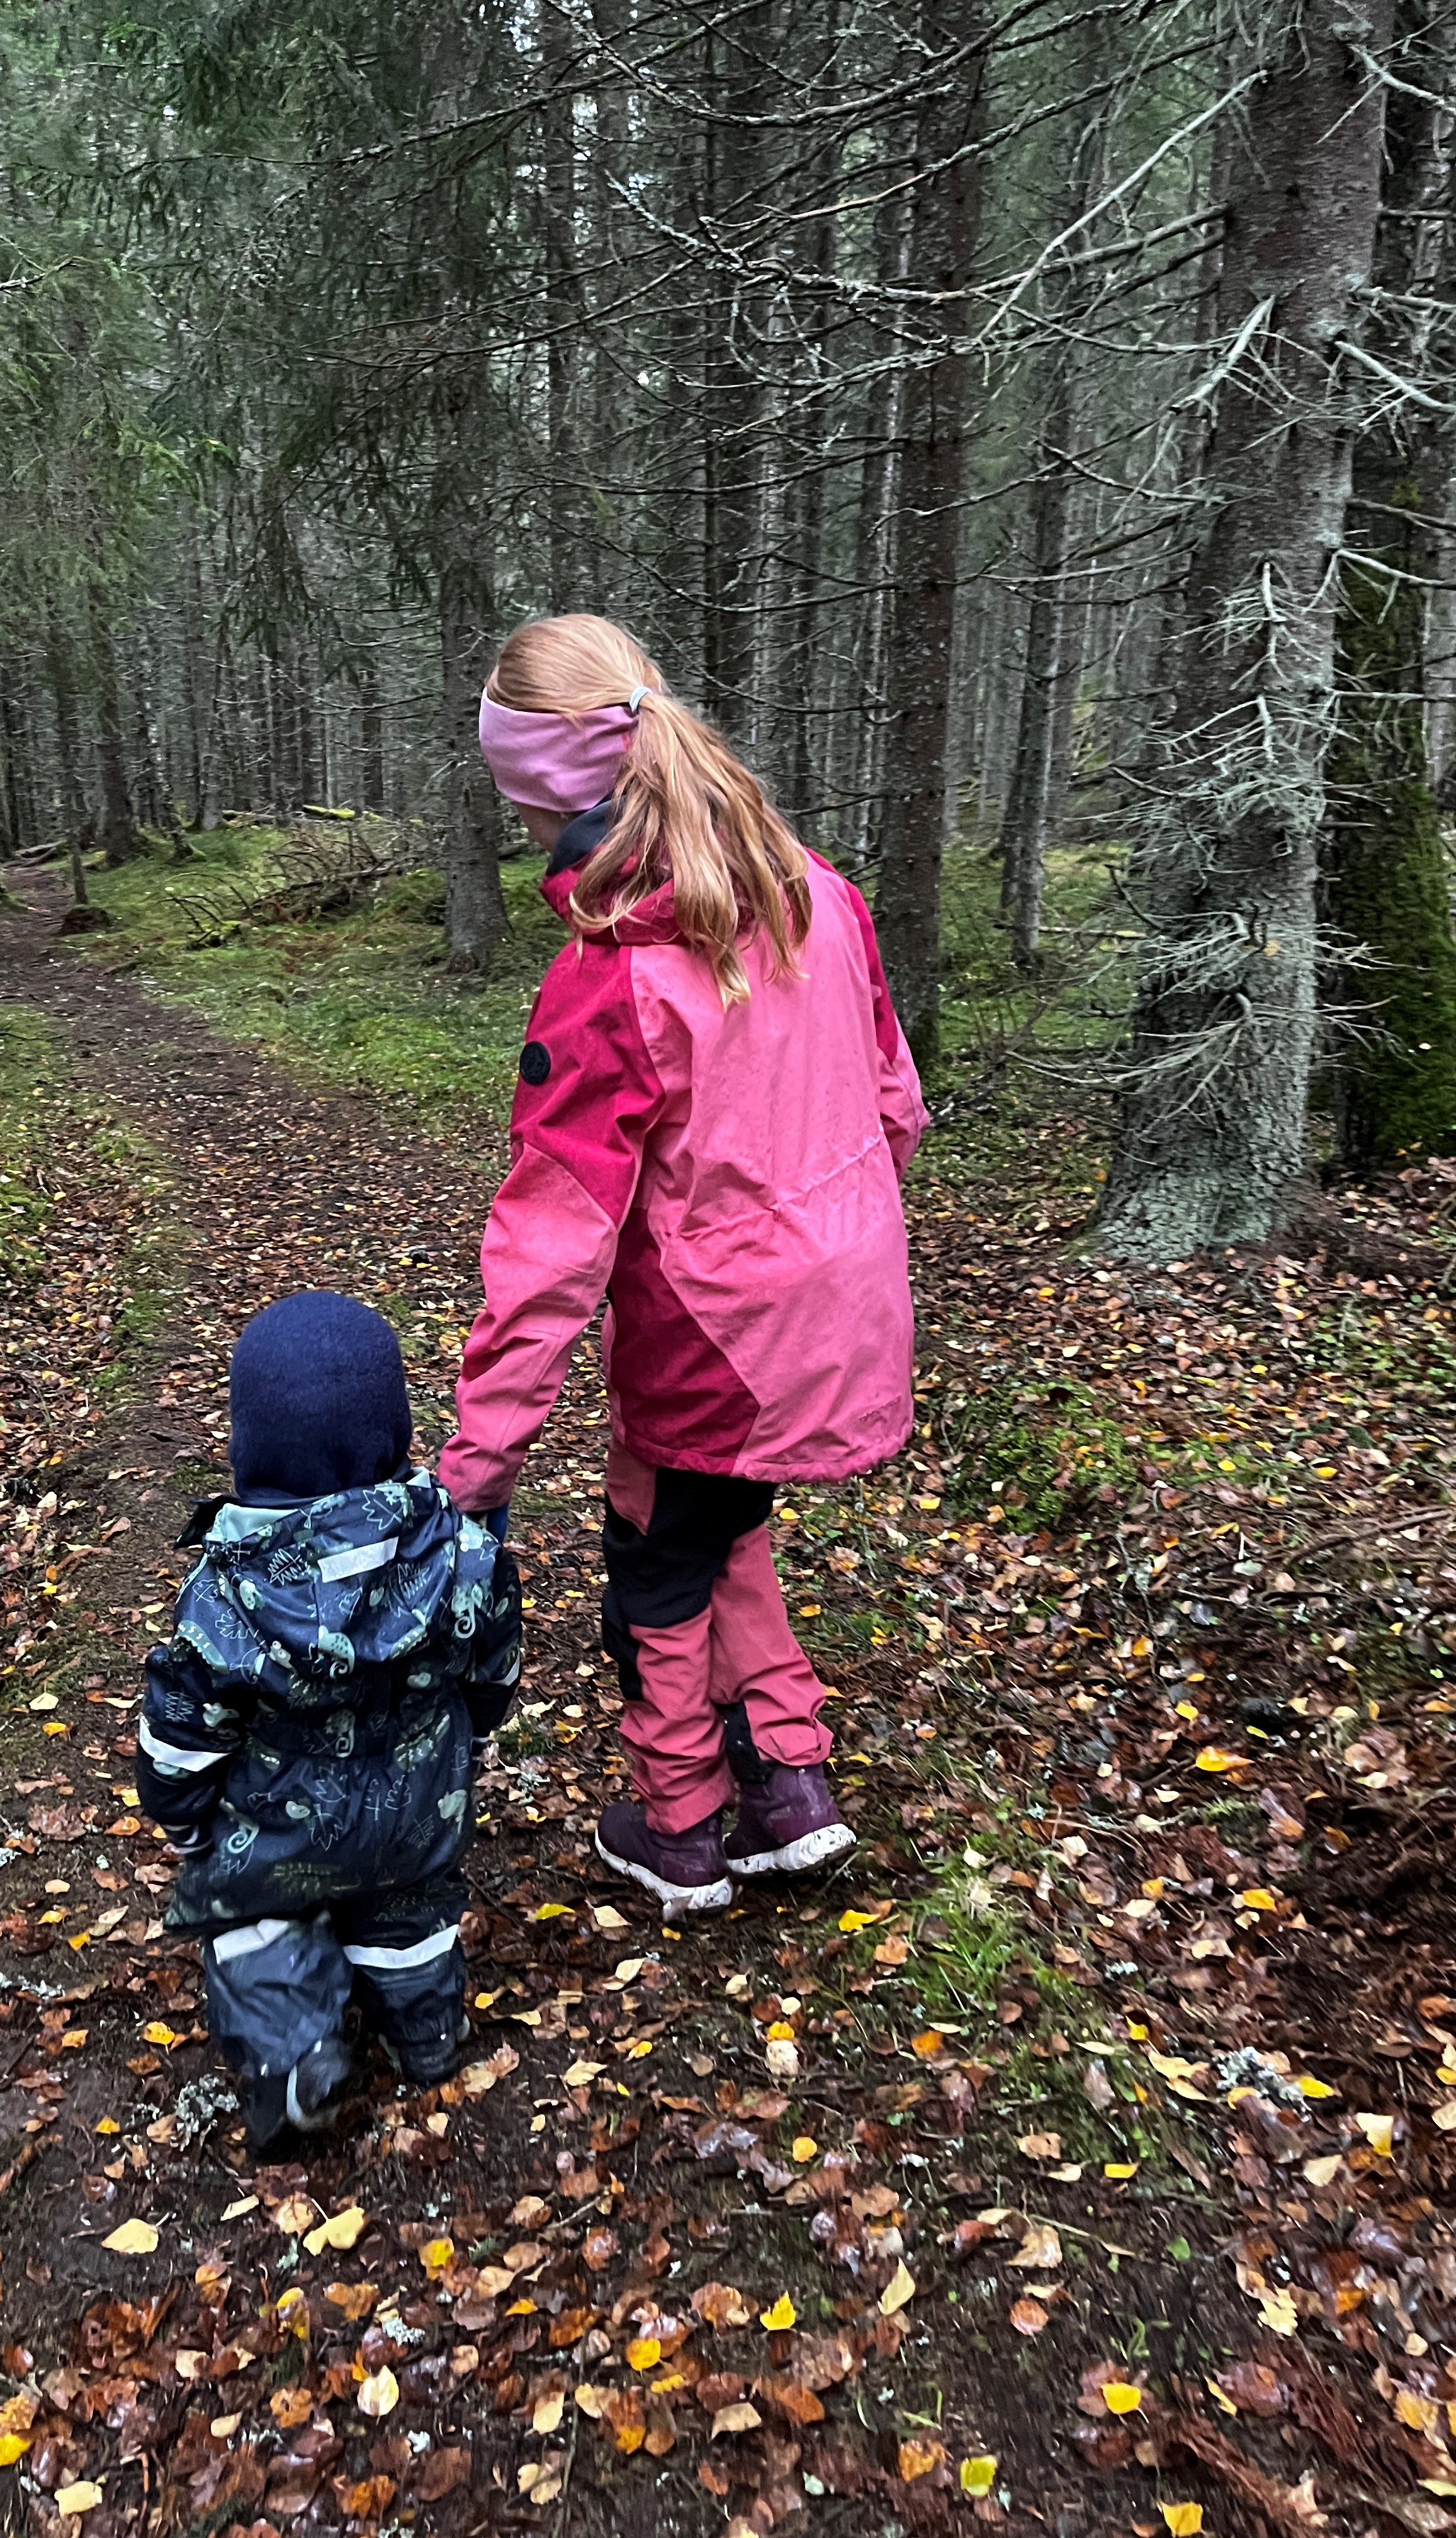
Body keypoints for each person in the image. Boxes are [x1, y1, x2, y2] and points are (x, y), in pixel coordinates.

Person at [436, 614, 925, 1920]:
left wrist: (478, 1464)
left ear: (547, 788)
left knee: (656, 1557)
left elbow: (552, 1240)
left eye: (513, 792)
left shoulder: (612, 979)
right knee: (727, 1524)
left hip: (714, 1335)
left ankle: (683, 1824)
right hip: (841, 1304)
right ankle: (793, 1781)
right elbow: (894, 1103)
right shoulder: (822, 892)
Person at [136, 1290, 521, 2152]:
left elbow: (182, 1725)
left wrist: (181, 1818)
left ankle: (292, 2052)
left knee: (251, 1924)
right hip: (422, 1812)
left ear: (248, 1451)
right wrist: (480, 1731)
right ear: (395, 1436)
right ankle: (425, 2033)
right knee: (410, 1919)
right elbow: (493, 1661)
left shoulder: (229, 1590)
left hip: (278, 1837)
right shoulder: (464, 1551)